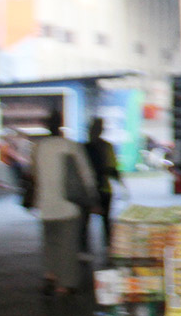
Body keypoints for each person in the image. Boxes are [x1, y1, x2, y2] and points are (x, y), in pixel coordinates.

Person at [29, 111, 97, 296]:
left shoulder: (38, 147)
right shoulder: (70, 146)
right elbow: (85, 174)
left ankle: (50, 275)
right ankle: (65, 284)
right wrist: (92, 197)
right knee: (68, 244)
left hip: (45, 205)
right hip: (68, 204)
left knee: (50, 242)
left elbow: (33, 175)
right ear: (61, 126)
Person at [82, 117, 122, 253]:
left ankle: (84, 248)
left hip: (87, 190)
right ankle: (109, 247)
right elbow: (113, 168)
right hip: (104, 189)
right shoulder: (107, 146)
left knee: (85, 221)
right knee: (106, 221)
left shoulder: (83, 148)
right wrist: (121, 183)